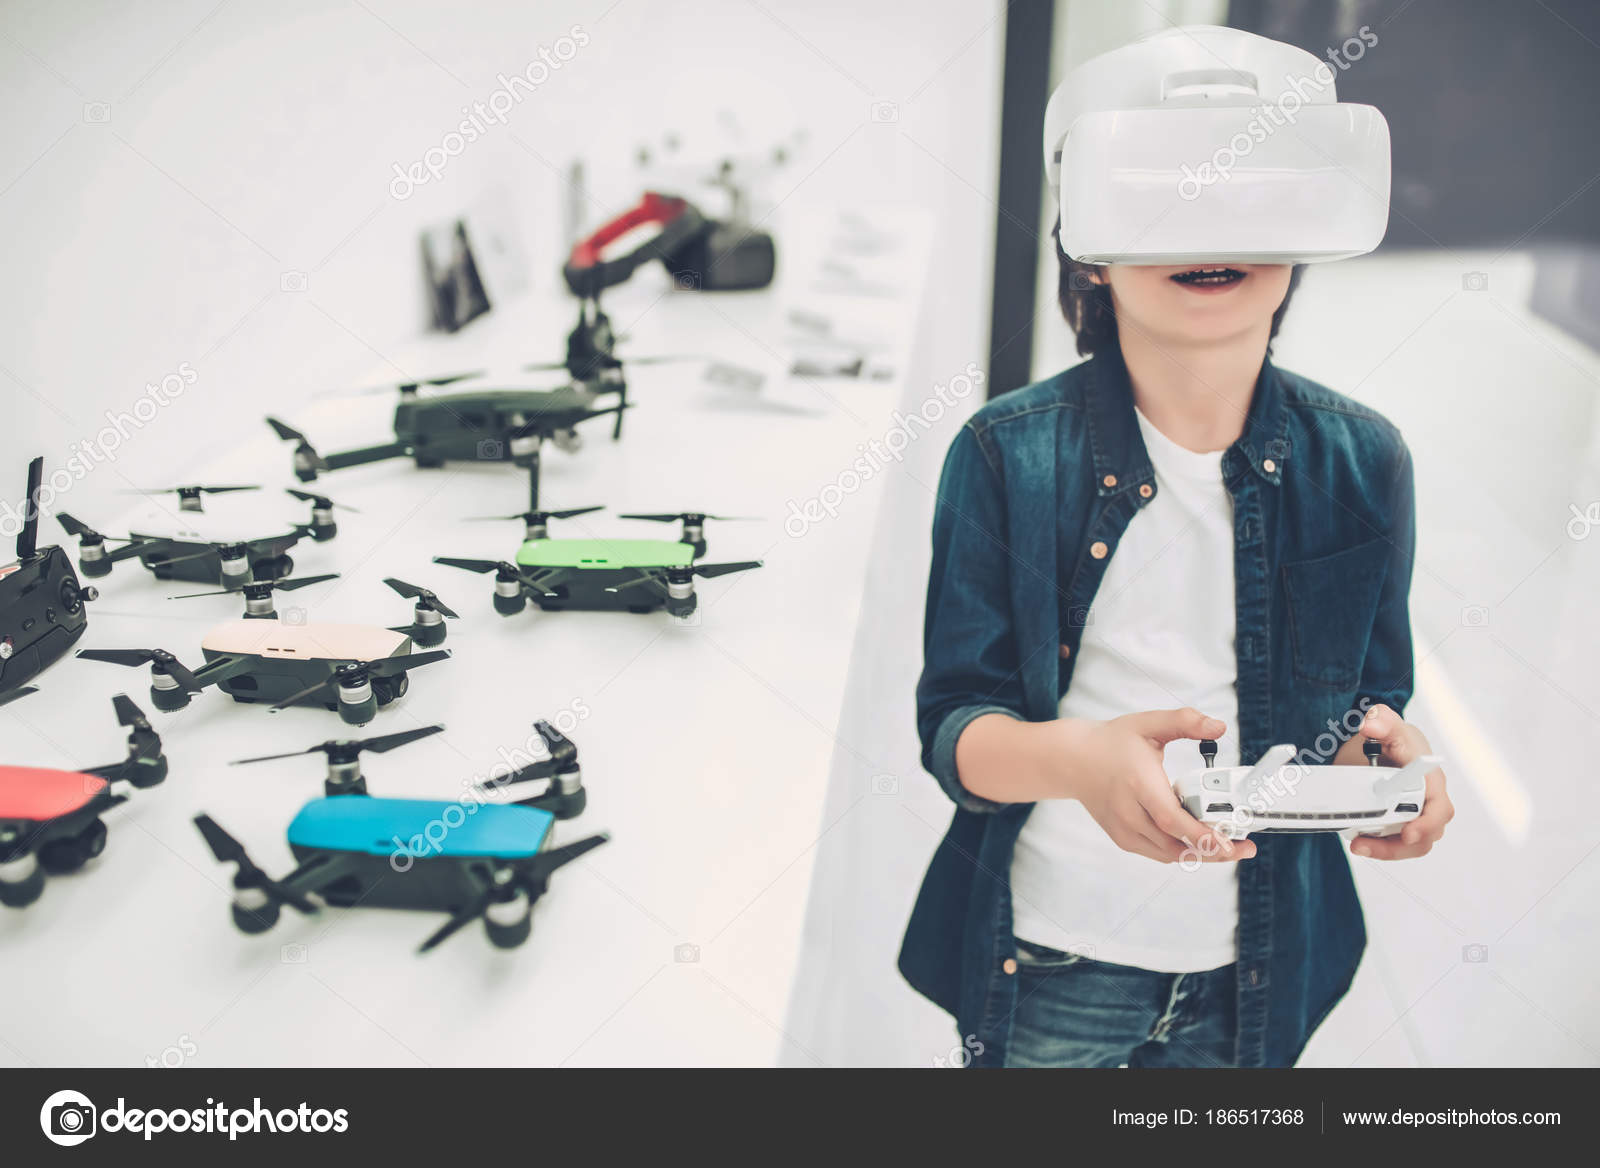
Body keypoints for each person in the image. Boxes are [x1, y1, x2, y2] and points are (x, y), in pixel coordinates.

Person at [899, 222, 1455, 1066]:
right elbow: (954, 732)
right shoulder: (1005, 450)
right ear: (1091, 254)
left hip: (1258, 971)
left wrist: (1385, 773)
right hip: (1051, 953)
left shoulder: (1364, 457)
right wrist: (1083, 762)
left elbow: (1364, 707)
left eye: (1244, 207)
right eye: (1167, 210)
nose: (1209, 235)